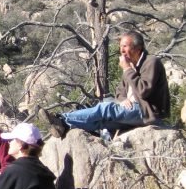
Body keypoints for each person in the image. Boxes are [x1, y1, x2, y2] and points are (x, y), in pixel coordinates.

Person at [40, 31, 170, 138]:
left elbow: (144, 90)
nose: (122, 50)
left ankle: (62, 119)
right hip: (133, 111)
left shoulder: (151, 62)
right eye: (121, 47)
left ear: (138, 48)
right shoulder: (131, 66)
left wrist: (127, 70)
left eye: (125, 46)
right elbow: (120, 91)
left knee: (105, 108)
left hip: (147, 112)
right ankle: (65, 127)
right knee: (102, 122)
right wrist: (123, 99)